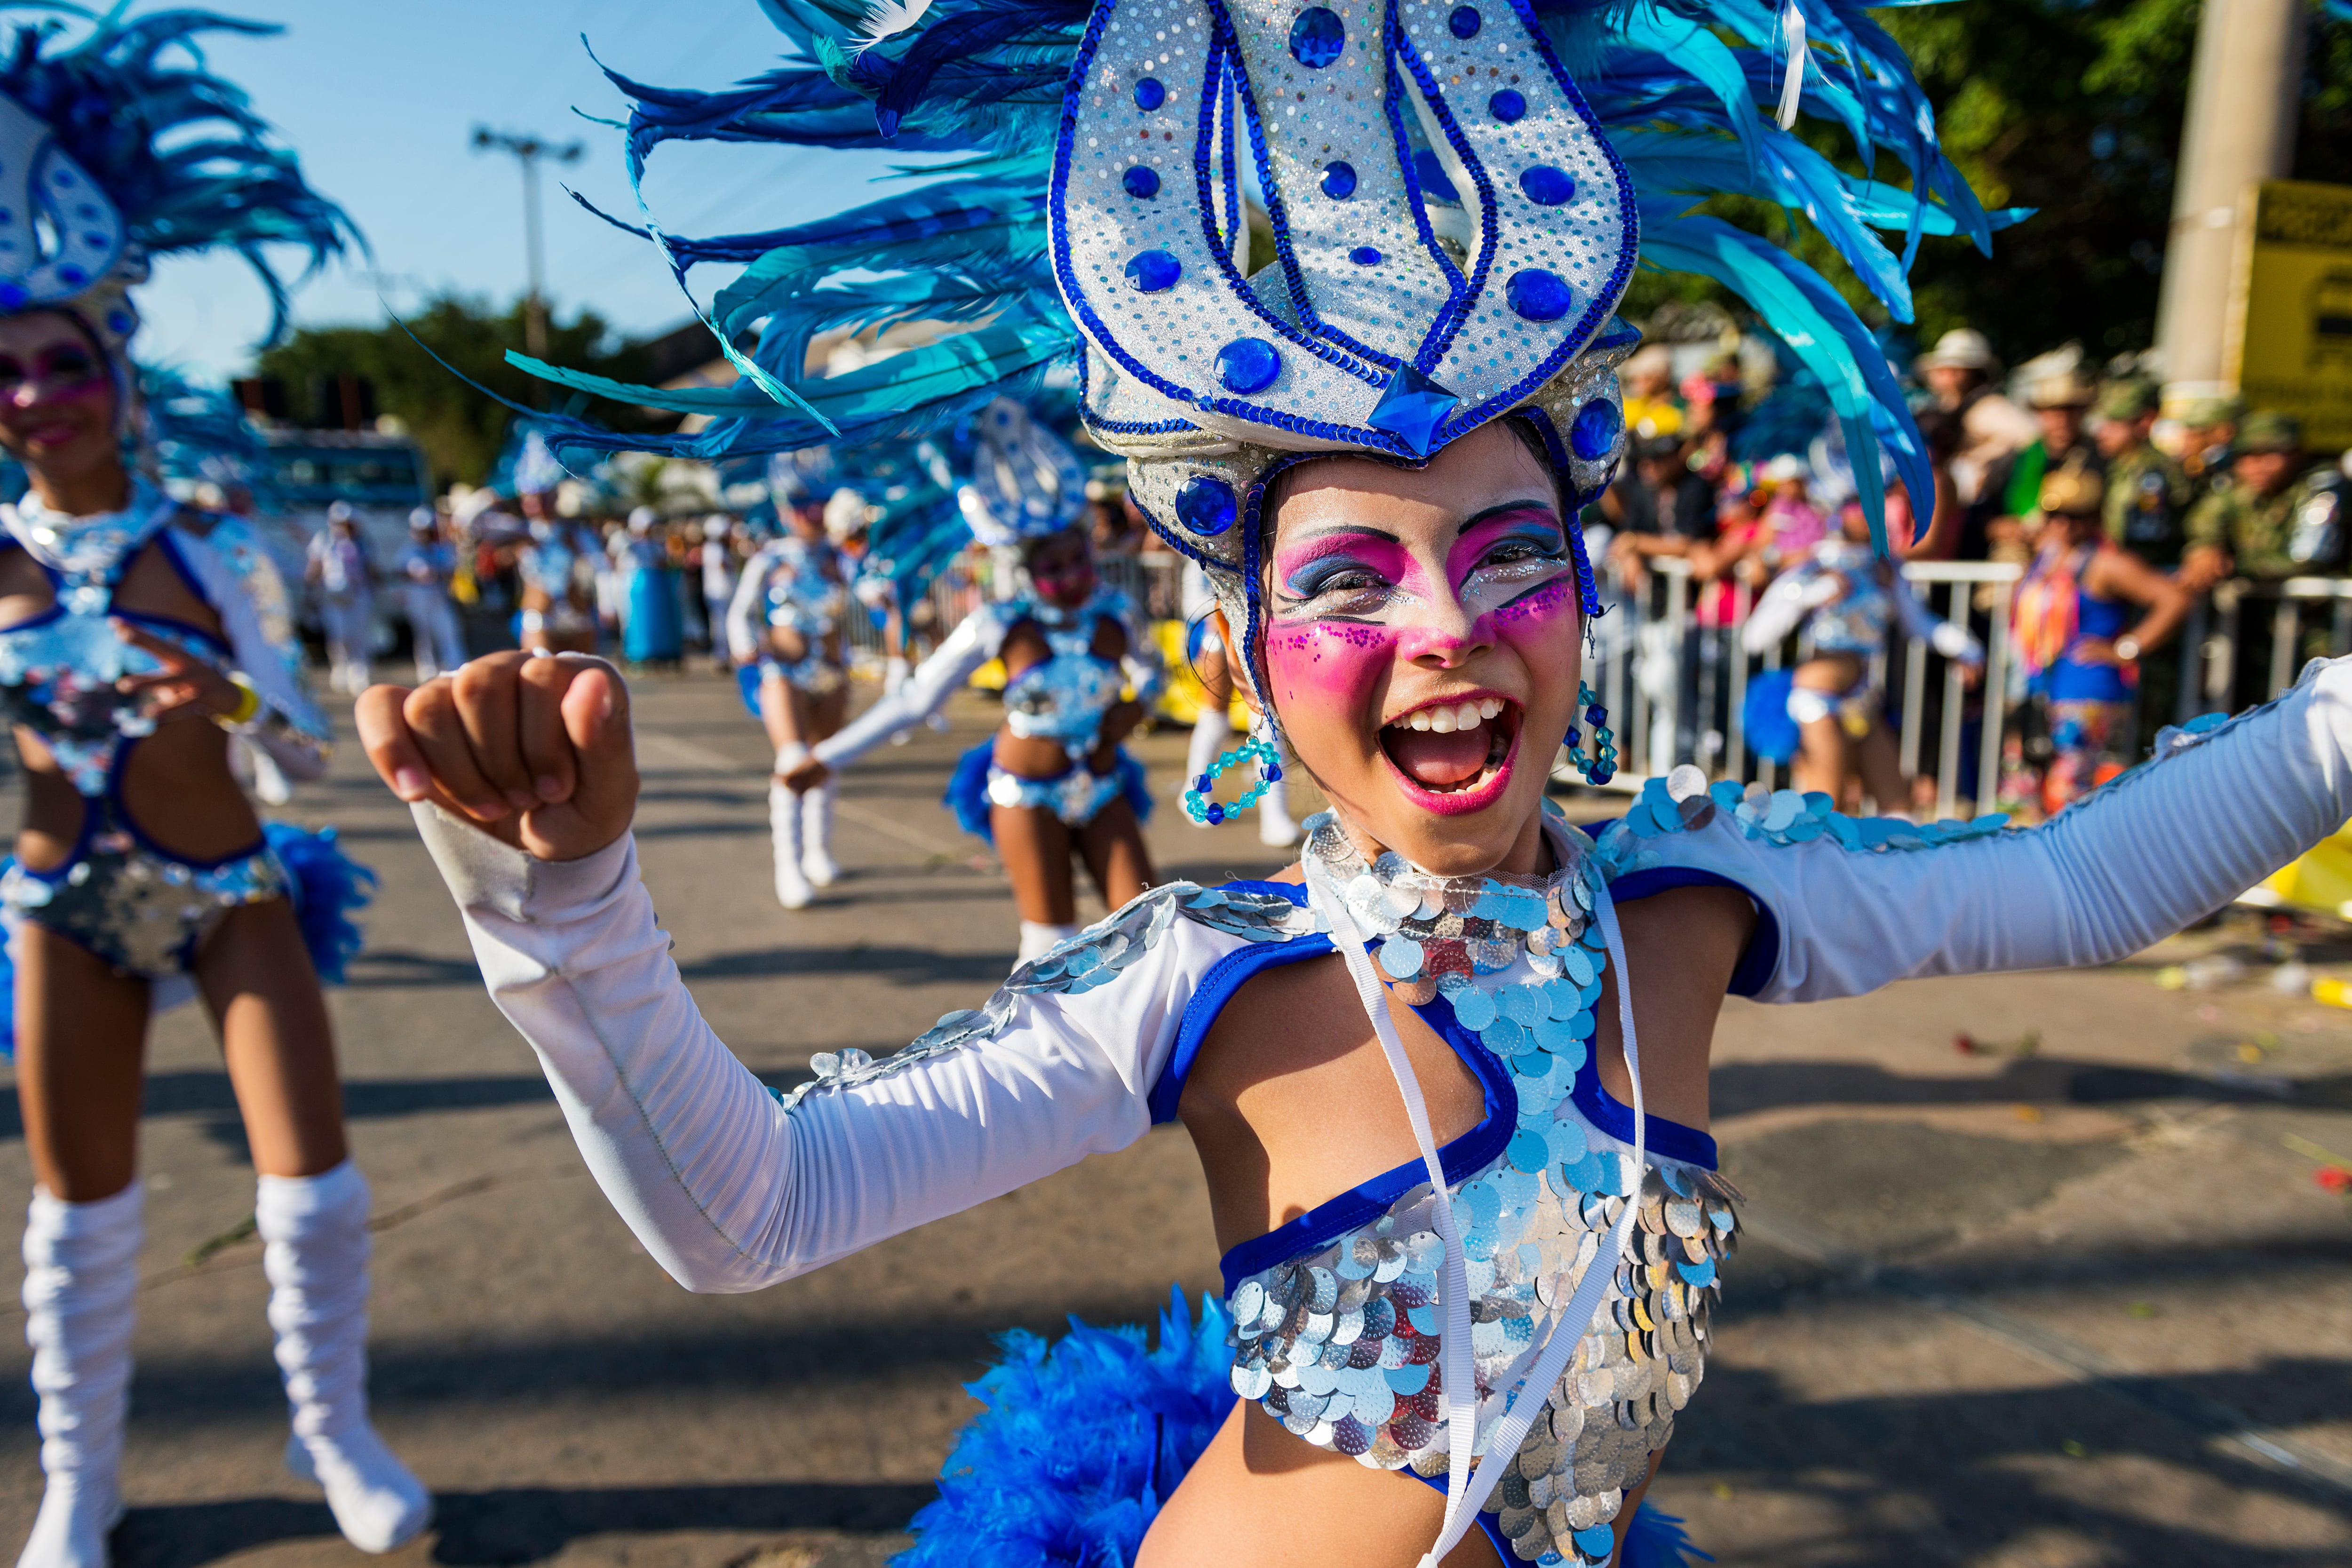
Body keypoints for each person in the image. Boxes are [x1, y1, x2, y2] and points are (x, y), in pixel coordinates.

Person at [367, 4, 2135, 1562]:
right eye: (1350, 583)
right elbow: (750, 1213)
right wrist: (570, 911)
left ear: (1585, 600)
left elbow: (2076, 883)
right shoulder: (1203, 976)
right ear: (1249, 651)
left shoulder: (1700, 902)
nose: (1445, 628)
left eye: (1510, 558)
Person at [0, 14, 429, 1565]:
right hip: (63, 905)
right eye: (6, 376)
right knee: (80, 1216)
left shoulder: (218, 542)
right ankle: (83, 1482)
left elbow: (300, 742)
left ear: (114, 372)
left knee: (309, 1183)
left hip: (233, 886)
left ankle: (337, 1433)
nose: (36, 396)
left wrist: (225, 694)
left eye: (63, 365)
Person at [781, 401, 1164, 962]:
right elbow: (915, 701)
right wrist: (828, 758)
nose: (1071, 578)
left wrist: (1138, 704)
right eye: (1053, 569)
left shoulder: (1118, 612)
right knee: (1049, 948)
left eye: (1077, 561)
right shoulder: (998, 625)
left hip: (1103, 783)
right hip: (1026, 795)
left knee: (1149, 929)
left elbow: (1151, 671)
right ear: (1026, 570)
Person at [1741, 504, 1982, 812]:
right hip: (1818, 703)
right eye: (1859, 504)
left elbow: (1920, 623)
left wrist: (1967, 649)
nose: (1875, 512)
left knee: (1899, 811)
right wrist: (1809, 595)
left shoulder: (1885, 569)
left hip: (1863, 701)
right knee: (1824, 811)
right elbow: (1754, 638)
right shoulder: (1812, 565)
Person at [2011, 467, 2192, 815]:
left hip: (2087, 691)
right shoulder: (2045, 556)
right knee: (2024, 792)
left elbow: (2173, 599)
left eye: (2074, 516)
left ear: (2093, 517)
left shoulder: (2107, 562)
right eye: (2055, 515)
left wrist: (2126, 649)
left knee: (2070, 795)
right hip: (2041, 687)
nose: (2063, 525)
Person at [727, 493, 851, 907]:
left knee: (825, 759)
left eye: (818, 505)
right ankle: (789, 866)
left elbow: (879, 596)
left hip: (831, 672)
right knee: (793, 757)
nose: (811, 514)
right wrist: (746, 647)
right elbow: (740, 612)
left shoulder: (842, 555)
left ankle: (819, 851)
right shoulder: (769, 557)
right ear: (784, 511)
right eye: (802, 506)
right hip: (784, 671)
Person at [1183, 555, 1297, 848]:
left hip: (1262, 632)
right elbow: (1197, 599)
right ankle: (1195, 791)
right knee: (1215, 716)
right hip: (1217, 635)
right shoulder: (1204, 547)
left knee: (1266, 722)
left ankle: (1274, 815)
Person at [2093, 379, 2193, 568]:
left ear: (2145, 422)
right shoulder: (2119, 466)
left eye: (2114, 424)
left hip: (2149, 572)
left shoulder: (2154, 471)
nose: (2102, 433)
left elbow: (2147, 536)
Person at [305, 501, 373, 694]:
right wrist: (310, 592)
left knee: (358, 635)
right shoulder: (323, 540)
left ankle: (360, 671)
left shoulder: (362, 542)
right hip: (332, 596)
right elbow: (315, 567)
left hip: (358, 595)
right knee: (338, 635)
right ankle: (341, 667)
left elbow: (370, 567)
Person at [395, 507, 466, 682]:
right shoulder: (408, 550)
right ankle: (427, 671)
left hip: (439, 599)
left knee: (449, 633)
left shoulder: (443, 549)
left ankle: (457, 669)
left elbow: (452, 570)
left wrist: (439, 573)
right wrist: (414, 575)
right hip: (418, 599)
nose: (424, 534)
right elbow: (399, 571)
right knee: (424, 636)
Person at [616, 507, 684, 667]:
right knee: (639, 620)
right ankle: (639, 653)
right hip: (640, 588)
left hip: (657, 587)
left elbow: (665, 561)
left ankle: (661, 652)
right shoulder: (628, 543)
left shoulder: (657, 543)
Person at [698, 514, 738, 671]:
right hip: (719, 592)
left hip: (722, 591)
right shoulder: (714, 548)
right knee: (720, 626)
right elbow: (723, 567)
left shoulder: (716, 548)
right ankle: (721, 657)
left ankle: (724, 656)